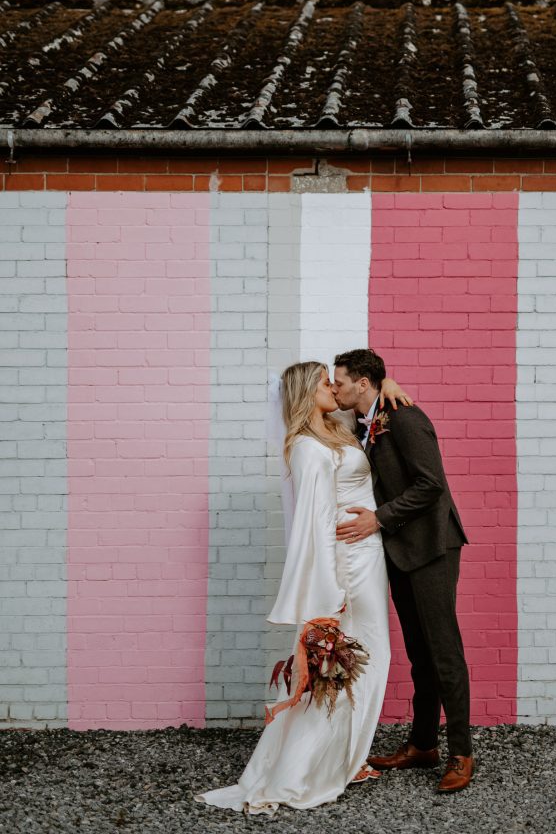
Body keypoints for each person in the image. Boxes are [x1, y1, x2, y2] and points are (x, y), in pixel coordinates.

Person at [194, 362, 408, 816]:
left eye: (335, 380)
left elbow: (367, 403)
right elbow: (312, 527)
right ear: (305, 393)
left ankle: (345, 758)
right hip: (347, 567)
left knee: (366, 660)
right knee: (344, 664)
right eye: (325, 382)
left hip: (367, 558)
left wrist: (386, 381)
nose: (334, 386)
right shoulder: (309, 448)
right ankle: (306, 768)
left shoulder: (336, 427)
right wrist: (330, 592)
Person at [332, 348, 474, 794]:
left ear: (363, 382)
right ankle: (423, 744)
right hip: (400, 551)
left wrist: (378, 518)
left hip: (432, 547)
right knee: (419, 652)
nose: (334, 388)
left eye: (339, 381)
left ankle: (461, 752)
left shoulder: (405, 417)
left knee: (443, 650)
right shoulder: (365, 420)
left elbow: (431, 485)